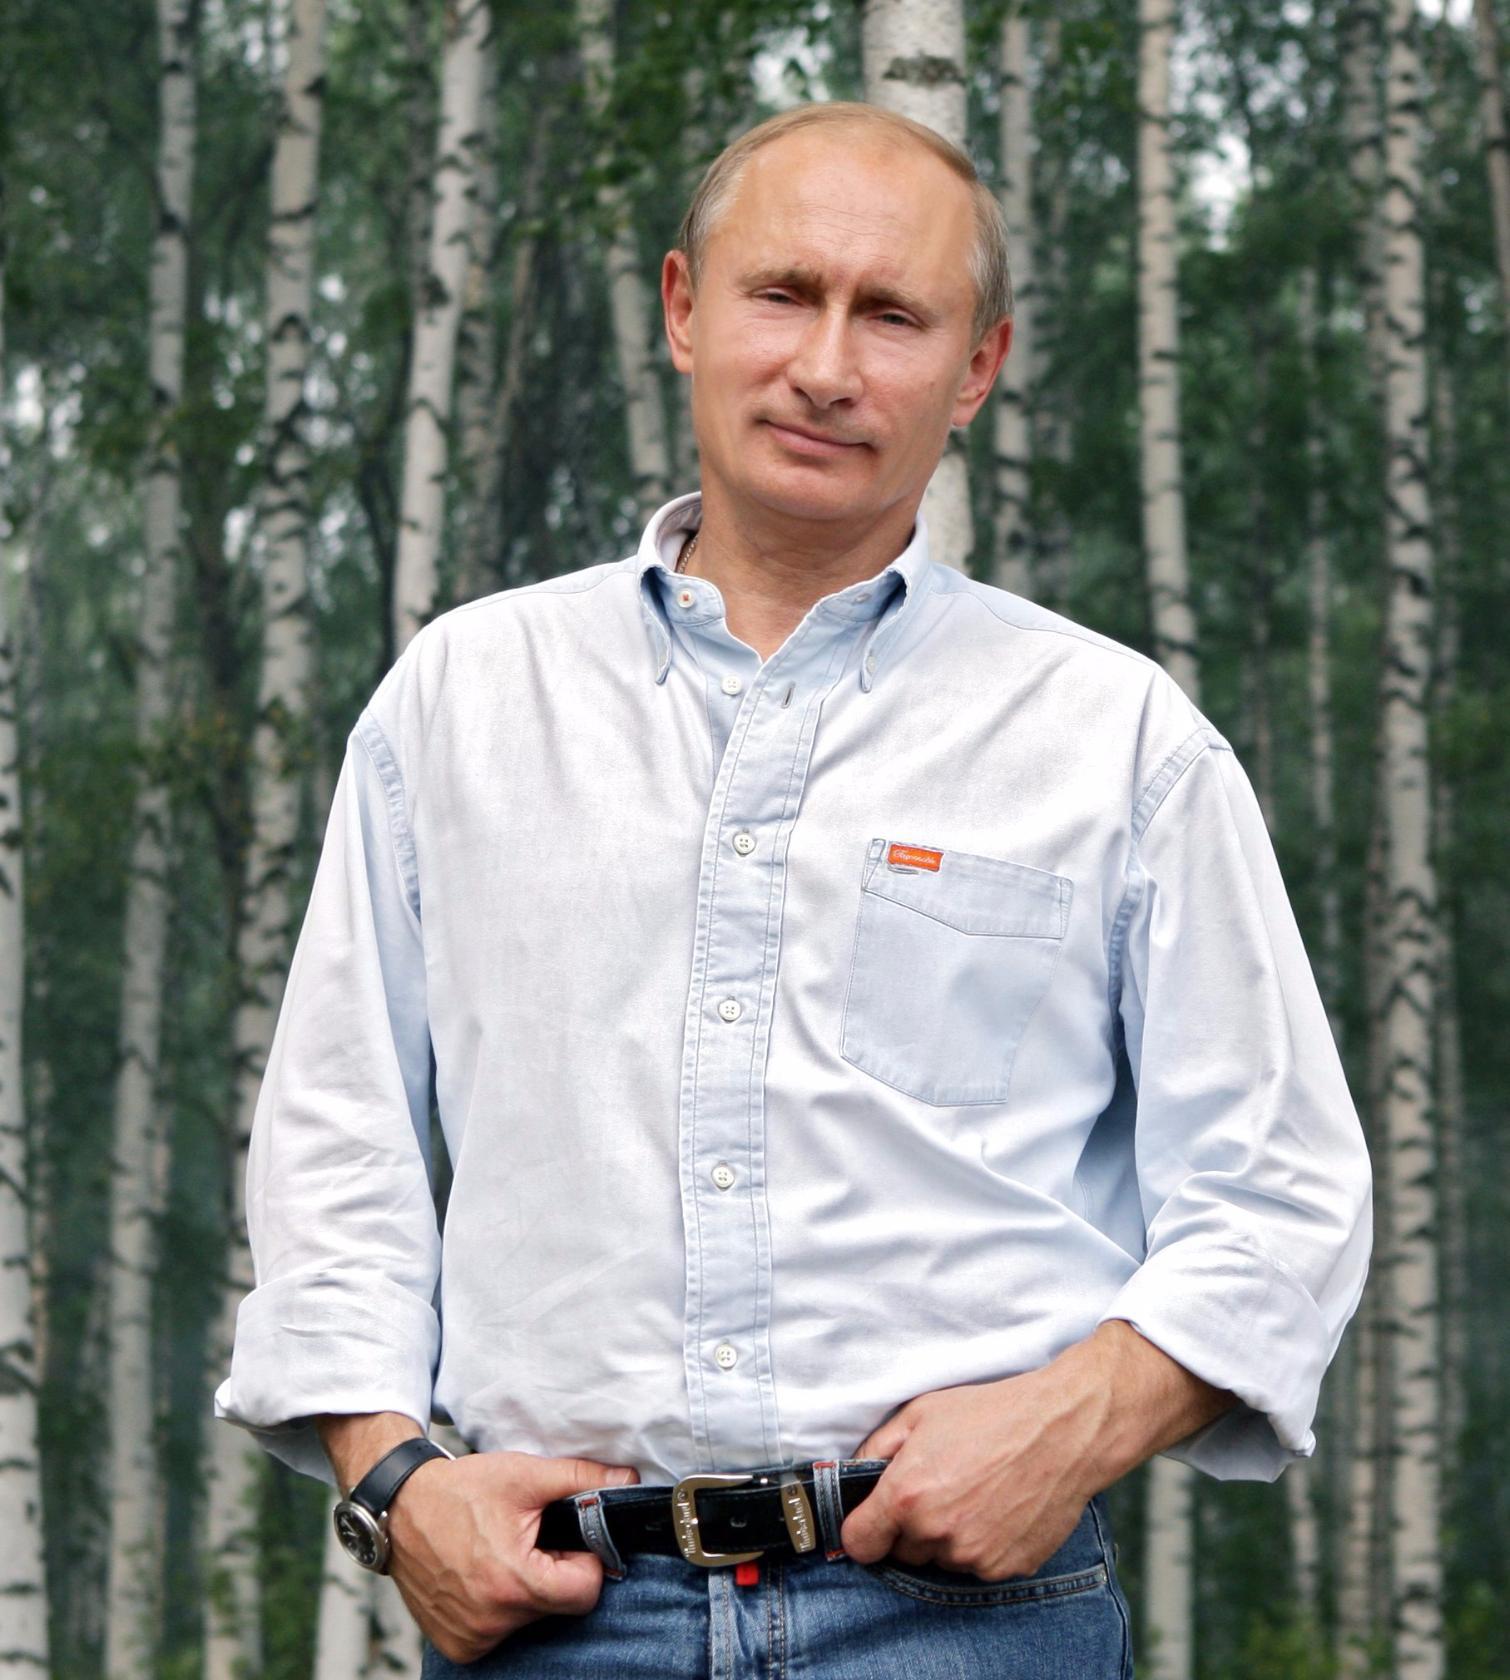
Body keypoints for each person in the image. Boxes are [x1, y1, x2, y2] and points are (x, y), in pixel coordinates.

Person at [213, 100, 1372, 1678]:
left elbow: (1280, 1187)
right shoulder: (465, 699)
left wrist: (1076, 1418)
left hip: (965, 1624)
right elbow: (334, 1138)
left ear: (976, 366)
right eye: (783, 294)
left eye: (891, 315)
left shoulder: (1112, 741)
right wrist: (393, 1483)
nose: (826, 366)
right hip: (556, 1616)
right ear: (684, 309)